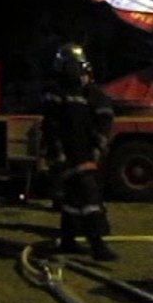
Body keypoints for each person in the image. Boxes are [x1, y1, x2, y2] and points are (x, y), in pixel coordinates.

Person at [40, 43, 118, 262]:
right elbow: (52, 125)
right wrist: (58, 153)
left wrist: (96, 146)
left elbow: (92, 122)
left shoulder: (80, 93)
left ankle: (68, 240)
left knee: (73, 199)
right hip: (70, 153)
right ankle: (98, 246)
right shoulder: (59, 92)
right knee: (89, 197)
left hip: (79, 152)